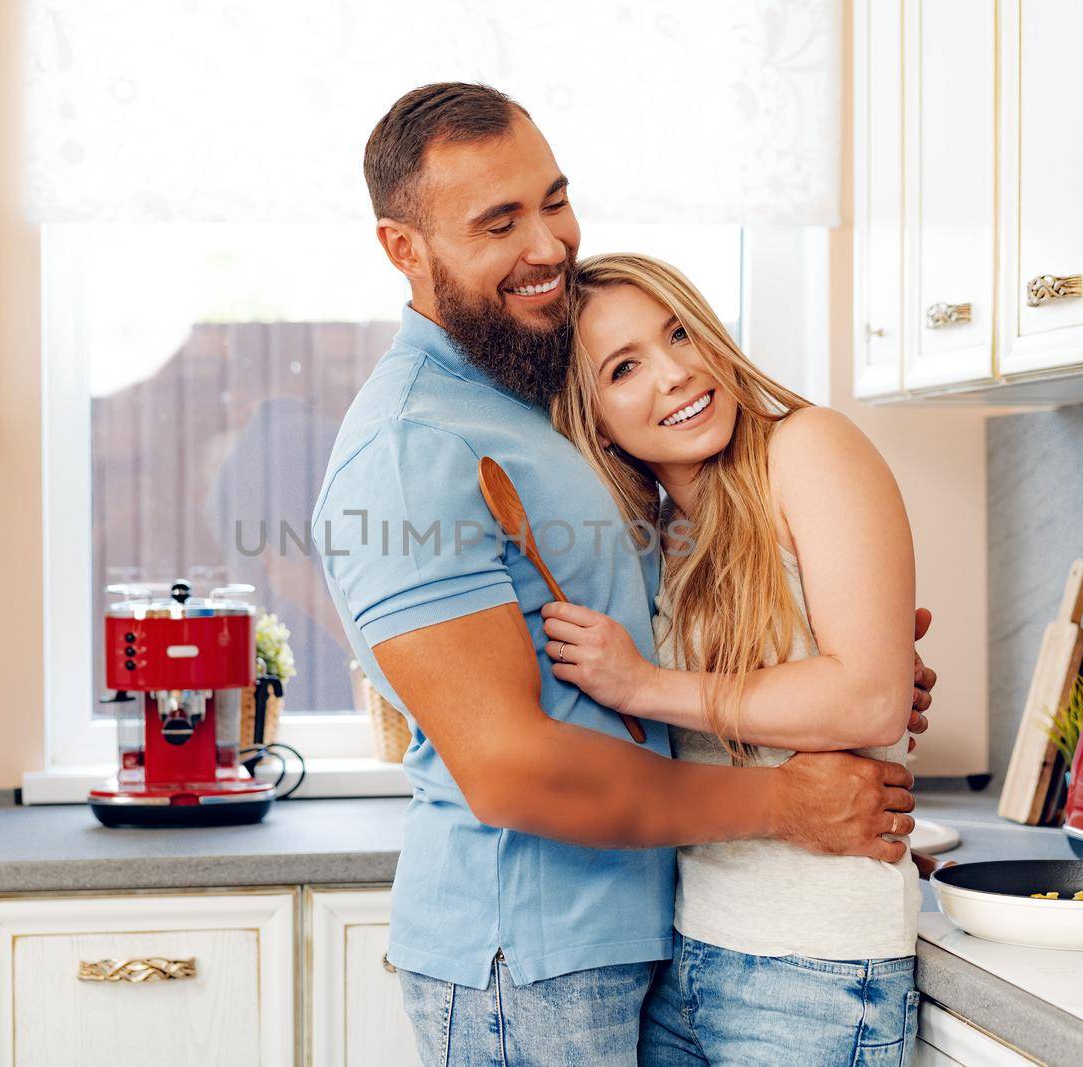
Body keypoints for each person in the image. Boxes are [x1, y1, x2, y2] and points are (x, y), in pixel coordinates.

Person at [311, 83, 936, 1065]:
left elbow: (679, 651)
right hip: (530, 947)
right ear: (404, 248)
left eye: (554, 200)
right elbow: (511, 766)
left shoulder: (524, 397)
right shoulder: (411, 443)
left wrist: (826, 655)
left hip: (648, 938)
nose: (549, 244)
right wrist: (783, 797)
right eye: (499, 221)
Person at [545, 253, 923, 1064]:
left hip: (815, 971)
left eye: (679, 331)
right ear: (594, 417)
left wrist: (647, 685)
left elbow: (870, 698)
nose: (677, 373)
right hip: (688, 957)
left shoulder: (810, 446)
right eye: (625, 367)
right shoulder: (661, 536)